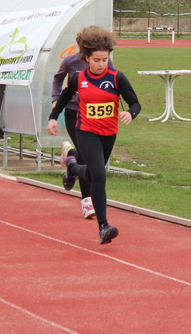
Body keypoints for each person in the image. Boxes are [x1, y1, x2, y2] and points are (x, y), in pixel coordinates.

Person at [47, 26, 141, 244]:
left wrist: (130, 113)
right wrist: (53, 117)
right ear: (86, 58)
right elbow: (64, 97)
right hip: (86, 131)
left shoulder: (117, 77)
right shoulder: (78, 77)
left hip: (109, 133)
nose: (101, 64)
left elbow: (135, 102)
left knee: (91, 173)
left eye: (104, 60)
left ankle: (71, 166)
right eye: (96, 60)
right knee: (99, 175)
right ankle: (103, 226)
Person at [51, 49, 114, 219]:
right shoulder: (70, 61)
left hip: (96, 117)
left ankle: (71, 157)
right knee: (87, 158)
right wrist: (55, 99)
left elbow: (112, 82)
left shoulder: (105, 63)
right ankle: (87, 201)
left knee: (94, 160)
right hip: (74, 112)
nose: (100, 63)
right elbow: (57, 79)